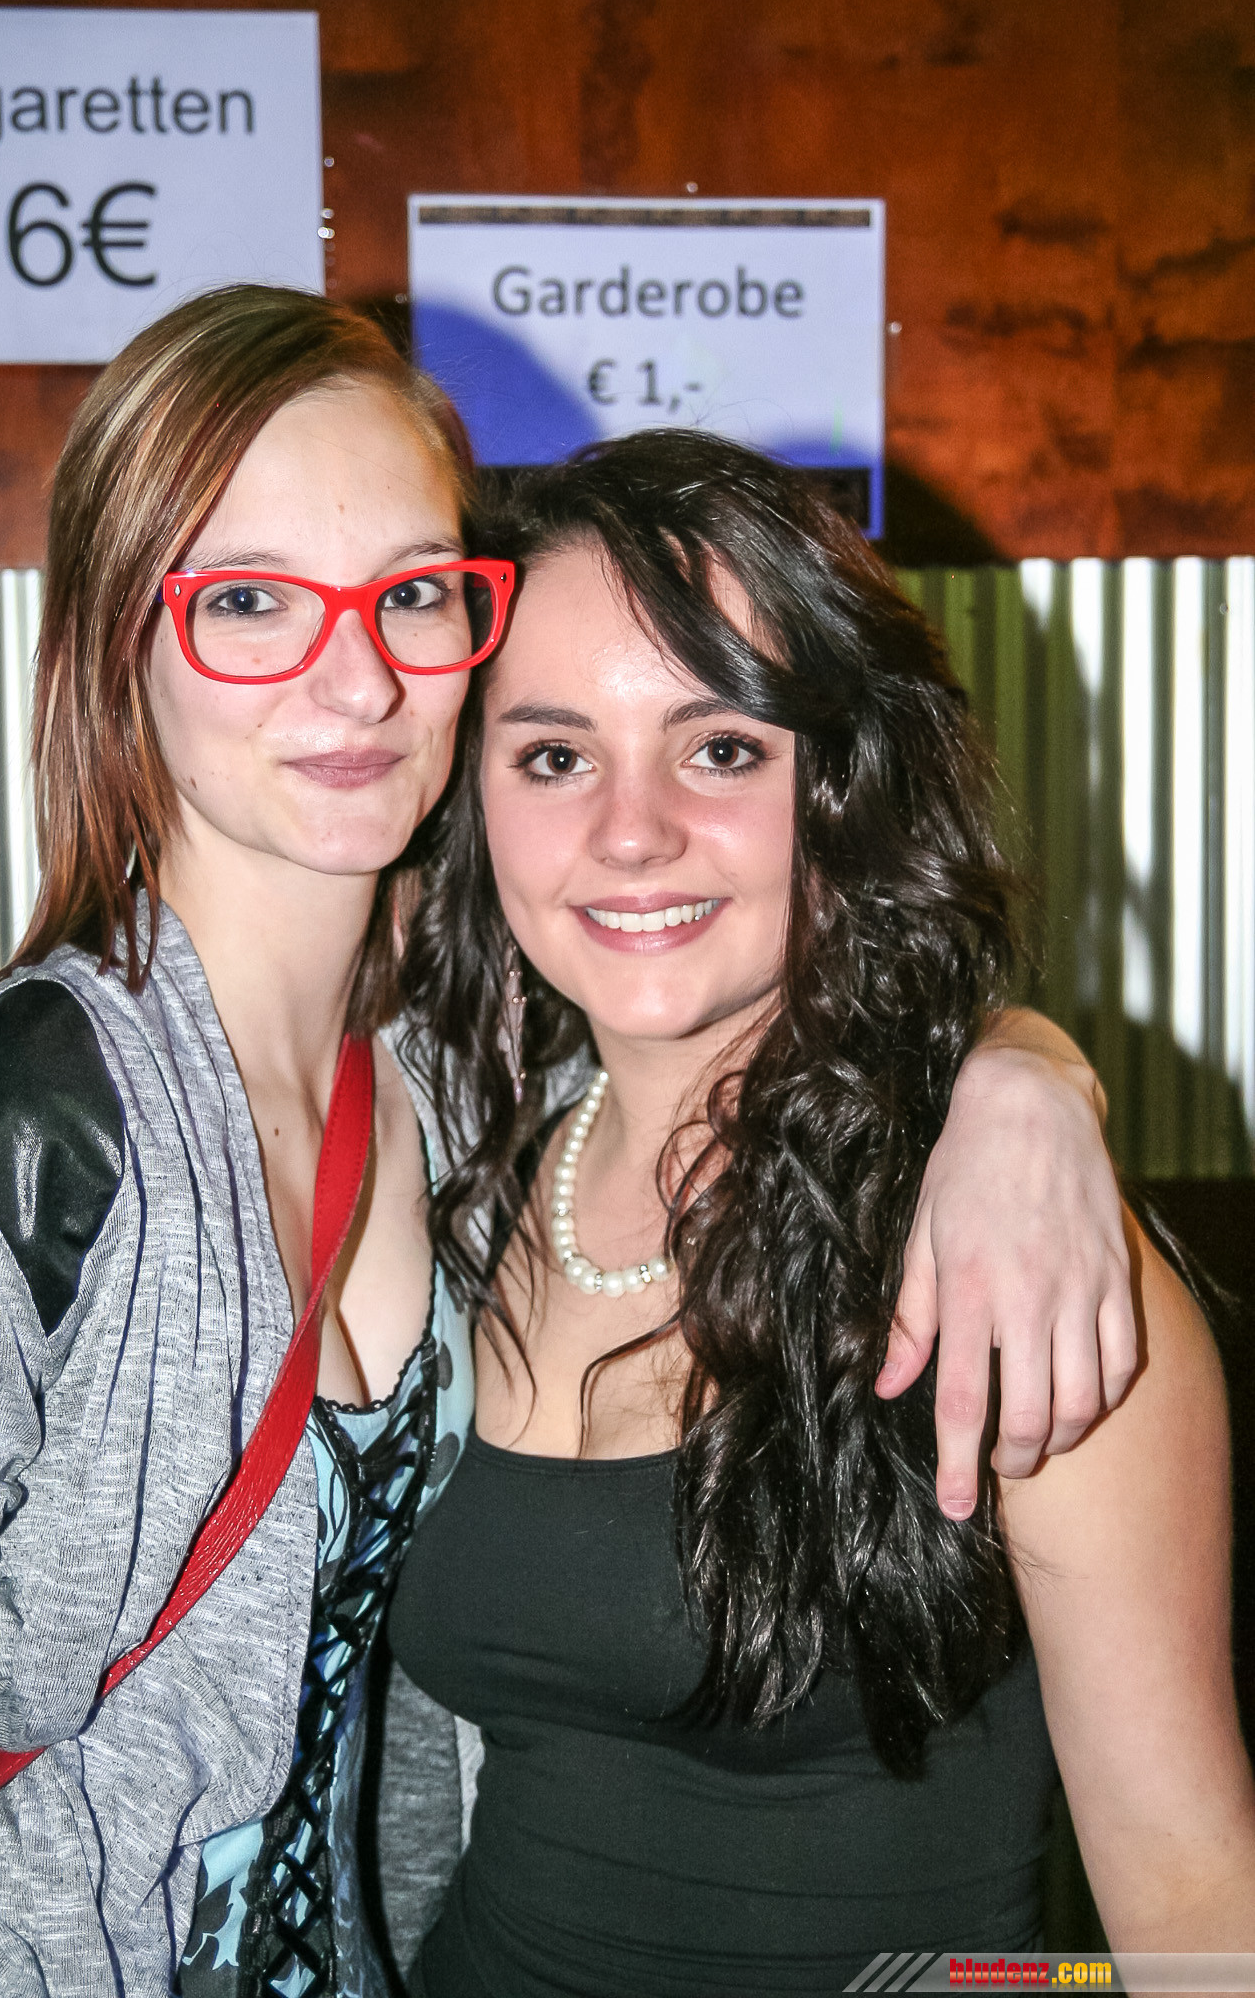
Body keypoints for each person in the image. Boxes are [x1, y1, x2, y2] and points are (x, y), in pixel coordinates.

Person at [0, 284, 1131, 1997]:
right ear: (120, 641)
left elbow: (798, 992)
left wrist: (1022, 1078)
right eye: (249, 600)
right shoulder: (5, 1140)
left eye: (412, 593)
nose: (356, 679)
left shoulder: (472, 1078)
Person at [386, 430, 1255, 1996]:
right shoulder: (460, 1176)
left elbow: (1193, 1900)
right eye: (554, 755)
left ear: (839, 782)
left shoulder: (1016, 1255)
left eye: (720, 747)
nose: (630, 831)